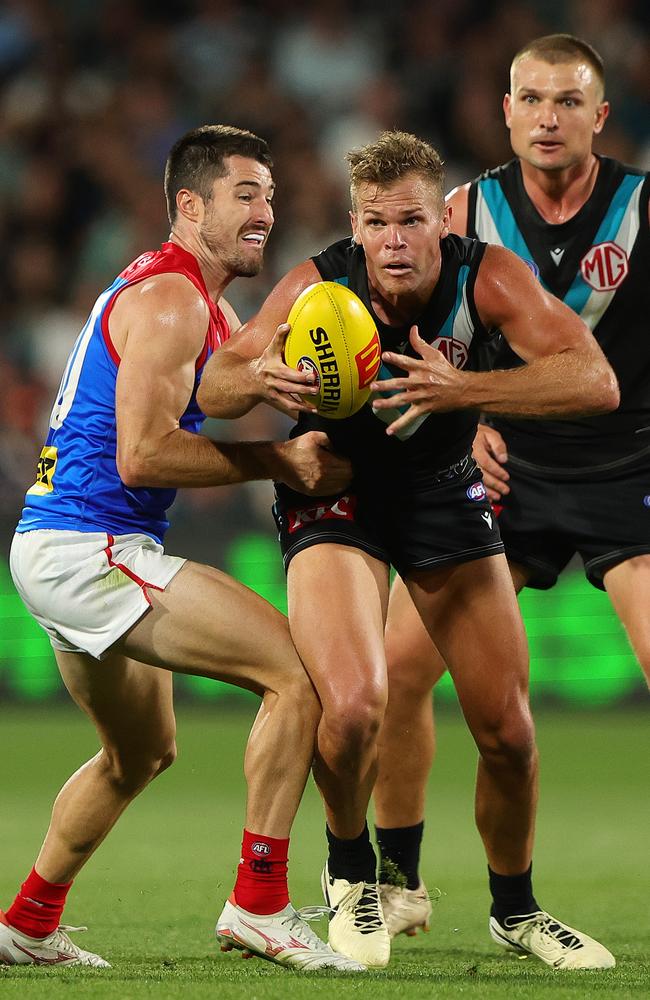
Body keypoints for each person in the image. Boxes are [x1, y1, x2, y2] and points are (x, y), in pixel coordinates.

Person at [196, 127, 619, 970]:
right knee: (352, 709)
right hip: (334, 491)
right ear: (356, 225)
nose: (396, 241)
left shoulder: (485, 275)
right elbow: (215, 382)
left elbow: (594, 378)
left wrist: (464, 387)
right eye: (379, 222)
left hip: (442, 493)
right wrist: (262, 380)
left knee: (509, 732)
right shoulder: (319, 281)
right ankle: (355, 876)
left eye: (413, 222)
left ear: (442, 221)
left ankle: (516, 910)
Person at [0, 124, 364, 973]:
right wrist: (280, 459)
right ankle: (259, 904)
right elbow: (144, 453)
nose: (265, 213)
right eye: (244, 195)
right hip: (93, 545)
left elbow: (217, 385)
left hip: (54, 544)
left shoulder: (196, 302)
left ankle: (26, 923)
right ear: (190, 205)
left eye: (270, 196)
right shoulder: (172, 300)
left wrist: (278, 376)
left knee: (140, 753)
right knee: (297, 675)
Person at [373, 33, 650, 947]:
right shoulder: (460, 213)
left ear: (600, 118)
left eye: (568, 101)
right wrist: (475, 420)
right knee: (399, 671)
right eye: (530, 98)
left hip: (628, 472)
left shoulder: (645, 211)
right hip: (503, 473)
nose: (547, 117)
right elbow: (444, 349)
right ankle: (398, 879)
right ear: (504, 110)